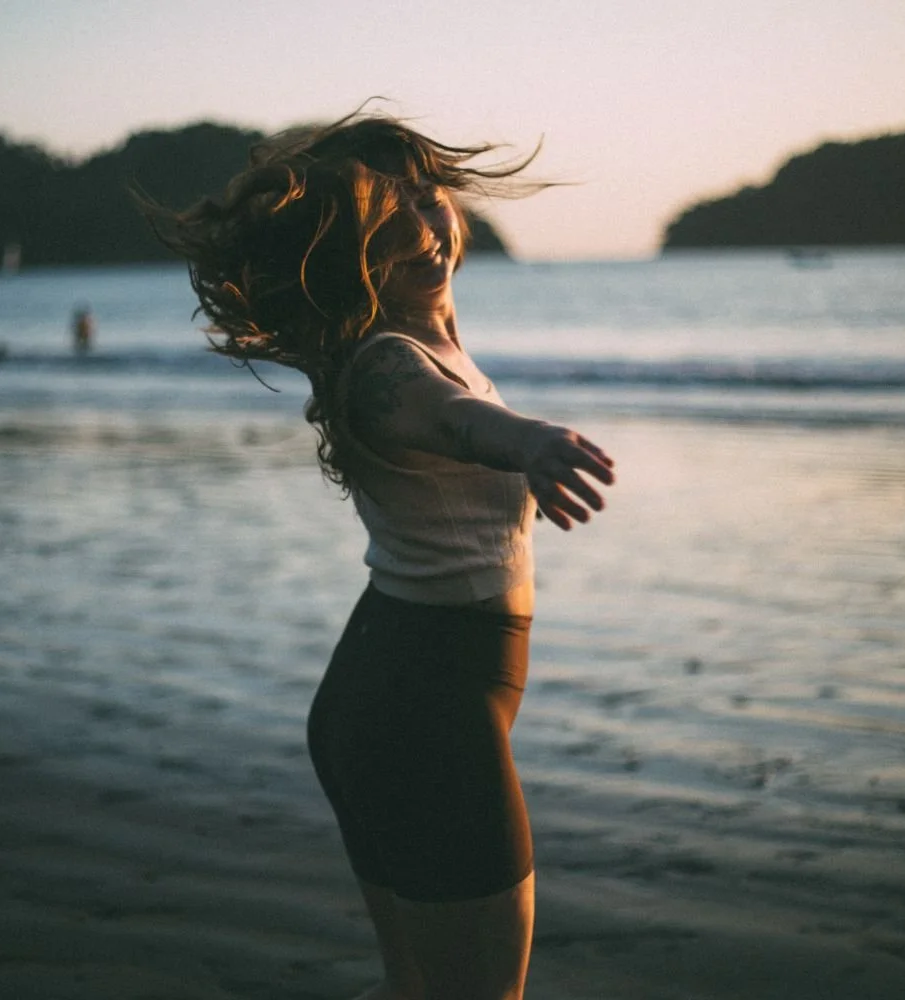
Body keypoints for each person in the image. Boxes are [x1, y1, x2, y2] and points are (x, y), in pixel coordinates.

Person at [158, 112, 615, 1000]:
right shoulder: (384, 364)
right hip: (426, 706)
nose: (427, 233)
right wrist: (530, 441)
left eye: (427, 202)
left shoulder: (426, 339)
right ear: (352, 258)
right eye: (392, 231)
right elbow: (453, 419)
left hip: (397, 688)